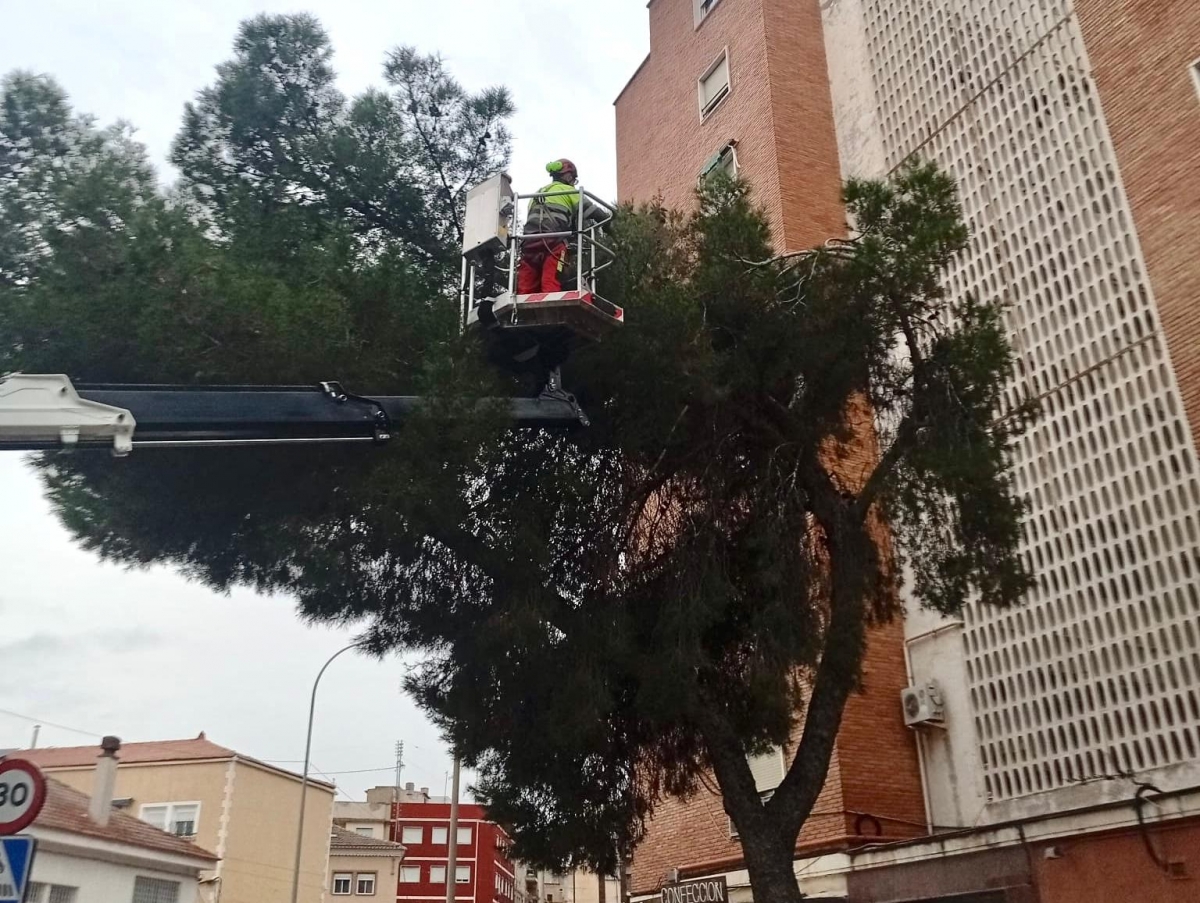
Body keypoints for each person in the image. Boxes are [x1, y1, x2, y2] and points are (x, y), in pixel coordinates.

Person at [517, 159, 603, 295]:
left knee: (525, 289)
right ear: (568, 176)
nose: (573, 182)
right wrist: (608, 223)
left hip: (529, 244)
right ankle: (552, 314)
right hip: (554, 243)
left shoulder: (536, 194)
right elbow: (593, 212)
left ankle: (523, 315)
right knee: (551, 285)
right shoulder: (569, 190)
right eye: (573, 179)